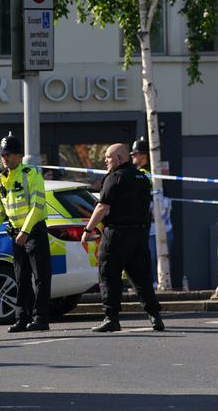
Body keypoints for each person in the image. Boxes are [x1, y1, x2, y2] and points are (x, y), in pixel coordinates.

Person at [81, 143, 164, 332]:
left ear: (119, 158)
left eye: (109, 157)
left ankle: (111, 318)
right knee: (141, 277)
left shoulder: (115, 177)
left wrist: (88, 230)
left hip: (117, 235)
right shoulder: (142, 178)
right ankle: (155, 316)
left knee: (109, 275)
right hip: (139, 235)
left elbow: (103, 207)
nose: (106, 161)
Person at [0, 133, 51, 332]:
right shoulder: (1, 181)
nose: (5, 158)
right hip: (16, 235)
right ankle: (22, 318)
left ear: (19, 156)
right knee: (21, 279)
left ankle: (41, 319)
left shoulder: (32, 175)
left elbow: (37, 206)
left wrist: (25, 231)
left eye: (9, 155)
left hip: (34, 232)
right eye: (3, 155)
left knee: (41, 278)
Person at [130, 137, 173, 286]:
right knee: (158, 261)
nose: (132, 157)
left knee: (150, 260)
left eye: (134, 154)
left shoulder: (144, 174)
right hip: (164, 227)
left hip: (154, 229)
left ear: (143, 155)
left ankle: (154, 284)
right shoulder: (155, 173)